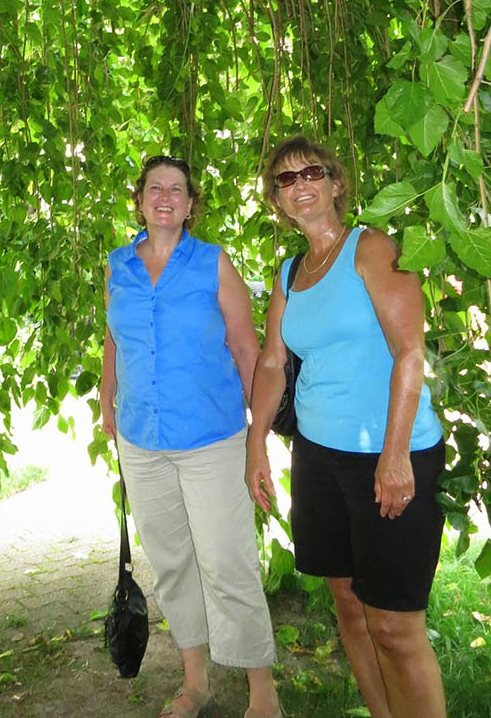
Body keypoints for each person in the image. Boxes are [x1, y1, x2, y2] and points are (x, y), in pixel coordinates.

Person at [246, 135, 446, 718]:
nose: (300, 185)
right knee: (350, 607)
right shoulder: (289, 273)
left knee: (395, 626)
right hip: (317, 459)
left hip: (390, 455)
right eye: (286, 179)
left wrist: (395, 454)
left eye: (312, 172)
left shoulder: (372, 248)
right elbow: (272, 363)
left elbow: (410, 352)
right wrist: (256, 447)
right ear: (277, 199)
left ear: (336, 183)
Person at [101, 154, 282, 718]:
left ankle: (263, 693)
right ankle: (195, 684)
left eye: (176, 189)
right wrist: (107, 398)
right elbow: (114, 337)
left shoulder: (213, 263)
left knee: (227, 563)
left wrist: (259, 437)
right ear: (139, 200)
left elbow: (246, 346)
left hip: (211, 439)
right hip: (141, 441)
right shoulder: (117, 266)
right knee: (173, 564)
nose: (164, 197)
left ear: (189, 205)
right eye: (155, 187)